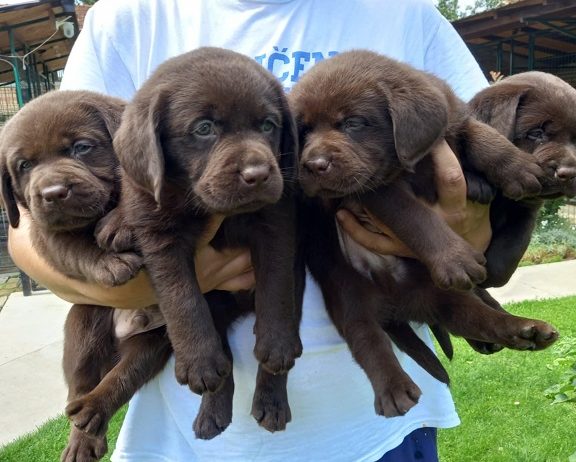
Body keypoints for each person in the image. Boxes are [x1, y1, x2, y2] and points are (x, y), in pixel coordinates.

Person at [8, 0, 492, 460]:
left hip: (379, 423)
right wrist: (145, 284)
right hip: (183, 437)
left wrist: (469, 230)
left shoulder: (405, 12)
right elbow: (36, 235)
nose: (257, 162)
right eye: (203, 130)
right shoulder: (128, 18)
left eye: (266, 127)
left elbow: (481, 146)